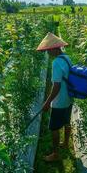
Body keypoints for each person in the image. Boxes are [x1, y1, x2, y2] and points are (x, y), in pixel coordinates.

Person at [36, 33, 73, 162]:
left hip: (59, 101)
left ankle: (56, 154)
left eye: (47, 50)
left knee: (54, 128)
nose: (47, 53)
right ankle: (66, 143)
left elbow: (56, 86)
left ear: (53, 48)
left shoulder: (56, 63)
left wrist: (47, 102)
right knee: (67, 121)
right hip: (69, 97)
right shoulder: (67, 58)